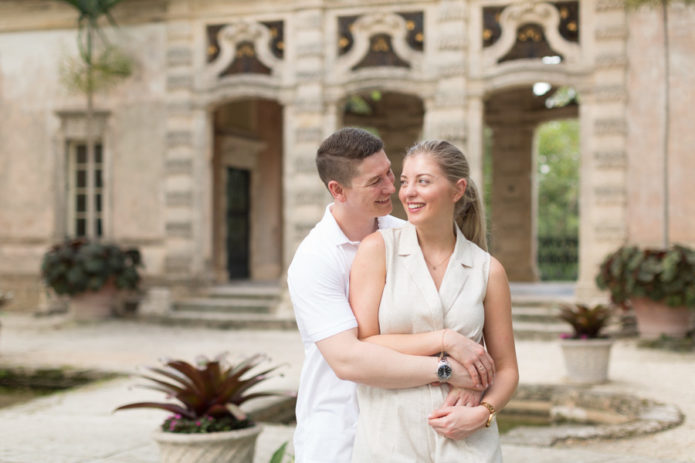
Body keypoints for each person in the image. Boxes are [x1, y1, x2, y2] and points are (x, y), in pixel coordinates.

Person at [288, 129, 496, 463]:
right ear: (337, 191)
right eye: (375, 182)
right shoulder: (315, 259)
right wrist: (447, 368)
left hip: (410, 429)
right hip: (339, 431)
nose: (391, 188)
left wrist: (474, 386)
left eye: (389, 174)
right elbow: (348, 359)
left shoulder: (405, 233)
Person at [349, 140, 519, 462]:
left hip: (468, 447)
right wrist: (446, 341)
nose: (408, 192)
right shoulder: (377, 251)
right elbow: (365, 343)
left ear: (457, 190)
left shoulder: (488, 270)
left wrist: (484, 412)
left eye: (423, 181)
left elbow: (508, 368)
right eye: (404, 181)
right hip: (390, 441)